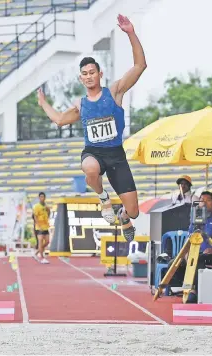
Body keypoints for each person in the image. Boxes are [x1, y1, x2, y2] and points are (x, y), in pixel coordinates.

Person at [37, 14, 147, 242]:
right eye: (84, 74)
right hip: (93, 153)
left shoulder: (114, 92)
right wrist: (43, 103)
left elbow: (140, 65)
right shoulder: (80, 104)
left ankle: (124, 217)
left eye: (92, 72)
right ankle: (103, 197)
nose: (88, 77)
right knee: (89, 168)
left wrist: (131, 33)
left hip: (116, 156)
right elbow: (58, 119)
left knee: (135, 210)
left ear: (100, 74)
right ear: (81, 78)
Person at [32, 192, 51, 264]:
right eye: (41, 197)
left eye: (43, 197)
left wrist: (48, 211)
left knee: (47, 241)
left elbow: (48, 213)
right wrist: (39, 226)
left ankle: (37, 252)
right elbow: (35, 216)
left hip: (46, 226)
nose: (42, 198)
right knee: (40, 242)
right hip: (39, 227)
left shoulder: (46, 206)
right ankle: (42, 258)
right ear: (39, 198)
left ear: (45, 198)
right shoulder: (37, 206)